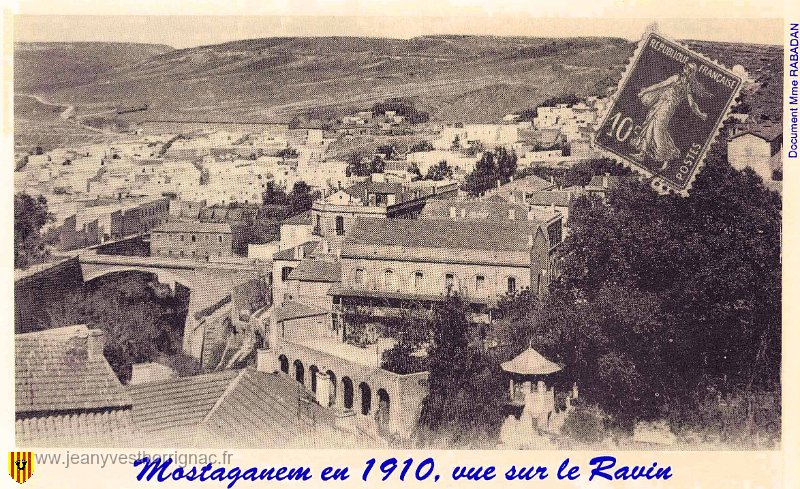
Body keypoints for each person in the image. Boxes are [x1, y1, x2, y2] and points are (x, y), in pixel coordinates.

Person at [631, 62, 710, 170]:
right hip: (662, 106)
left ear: (691, 72)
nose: (685, 69)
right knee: (649, 127)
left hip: (665, 108)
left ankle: (666, 159)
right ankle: (642, 153)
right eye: (686, 67)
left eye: (688, 69)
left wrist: (644, 91)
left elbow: (660, 85)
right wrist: (700, 114)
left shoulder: (678, 79)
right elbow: (691, 103)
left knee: (658, 133)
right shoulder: (687, 85)